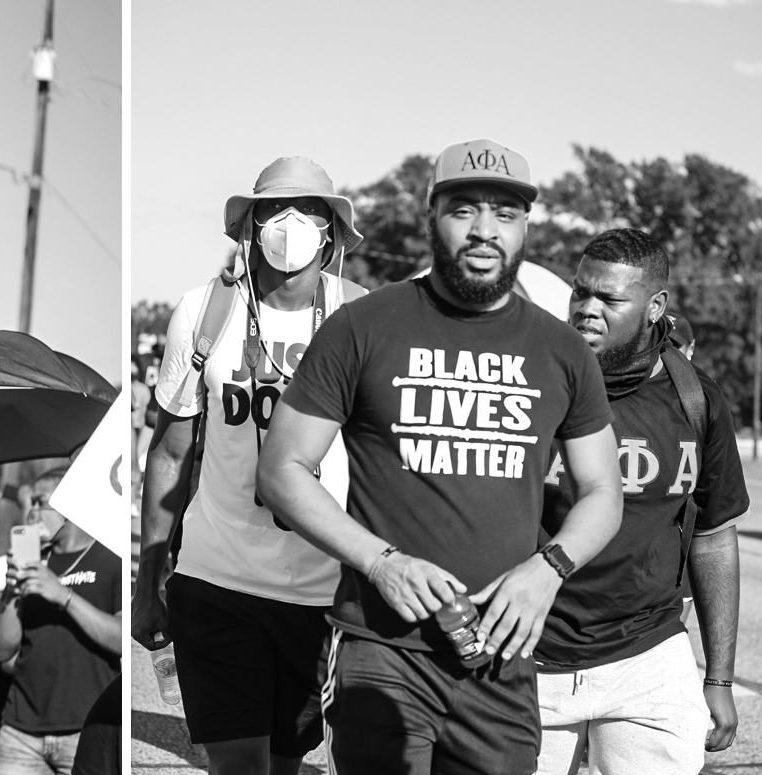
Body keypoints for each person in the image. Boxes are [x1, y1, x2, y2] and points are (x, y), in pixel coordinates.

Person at [257, 137, 625, 774]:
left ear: (525, 227)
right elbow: (281, 470)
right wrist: (381, 563)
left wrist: (549, 570)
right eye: (464, 210)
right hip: (383, 648)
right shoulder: (363, 326)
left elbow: (602, 491)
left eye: (505, 214)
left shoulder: (561, 350)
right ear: (432, 215)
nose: (485, 230)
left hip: (502, 650)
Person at [134, 156, 365, 775]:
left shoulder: (362, 318)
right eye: (275, 210)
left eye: (310, 210)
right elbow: (171, 450)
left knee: (287, 763)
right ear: (251, 224)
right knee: (239, 766)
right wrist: (149, 574)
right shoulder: (204, 310)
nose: (291, 223)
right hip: (216, 578)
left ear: (332, 231)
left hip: (322, 590)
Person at [528, 228, 745, 772]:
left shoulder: (695, 398)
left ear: (655, 307)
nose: (586, 310)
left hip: (648, 661)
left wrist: (718, 677)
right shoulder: (530, 384)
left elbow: (714, 539)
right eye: (580, 292)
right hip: (528, 660)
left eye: (609, 298)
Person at [0, 468, 121, 774]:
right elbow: (2, 650)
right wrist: (12, 592)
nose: (32, 512)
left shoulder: (110, 557)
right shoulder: (31, 559)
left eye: (40, 502)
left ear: (70, 504)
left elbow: (122, 640)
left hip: (86, 729)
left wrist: (63, 596)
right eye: (31, 503)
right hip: (19, 730)